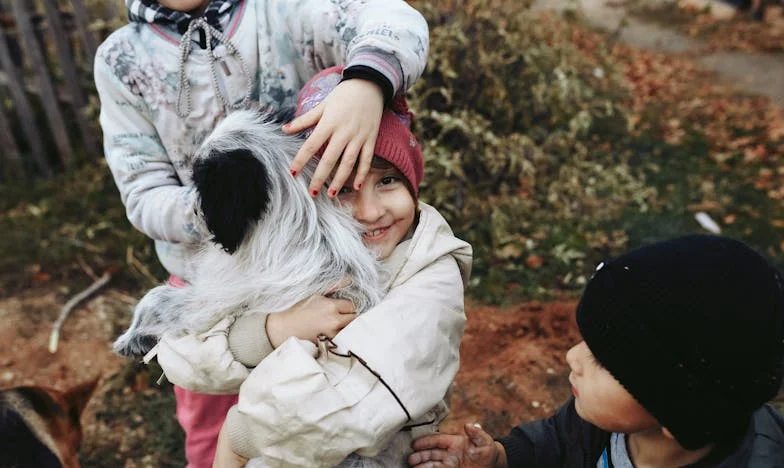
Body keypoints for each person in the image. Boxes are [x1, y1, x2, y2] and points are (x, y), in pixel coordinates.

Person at [93, 2, 429, 466]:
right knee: (212, 429)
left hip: (320, 256)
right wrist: (223, 208)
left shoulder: (286, 9)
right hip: (206, 271)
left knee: (332, 408)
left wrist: (367, 83)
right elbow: (142, 190)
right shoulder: (122, 60)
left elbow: (392, 17)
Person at [154, 66, 473, 467]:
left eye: (387, 181)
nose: (369, 211)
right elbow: (181, 353)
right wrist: (268, 332)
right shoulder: (302, 255)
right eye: (342, 188)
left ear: (413, 182)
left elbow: (356, 398)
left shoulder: (431, 275)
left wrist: (241, 435)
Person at [408, 234, 784, 468]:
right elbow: (554, 442)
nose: (573, 356)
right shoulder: (601, 423)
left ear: (676, 413)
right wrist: (502, 458)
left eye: (604, 361)